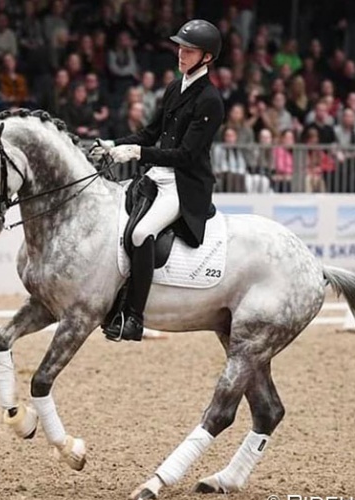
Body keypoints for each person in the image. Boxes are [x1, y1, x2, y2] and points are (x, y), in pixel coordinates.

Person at [90, 19, 224, 341]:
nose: (181, 53)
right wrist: (115, 146)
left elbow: (187, 155)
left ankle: (134, 317)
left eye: (189, 50)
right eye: (180, 47)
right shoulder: (174, 88)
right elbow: (151, 133)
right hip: (157, 175)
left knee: (141, 232)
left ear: (206, 57)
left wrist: (138, 152)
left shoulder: (210, 100)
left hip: (183, 183)